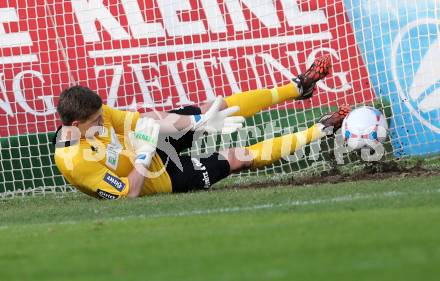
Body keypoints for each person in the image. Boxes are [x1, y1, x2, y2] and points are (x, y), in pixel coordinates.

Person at [53, 55, 349, 199]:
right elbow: (129, 193)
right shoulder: (76, 162)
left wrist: (200, 122)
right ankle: (321, 130)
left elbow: (146, 121)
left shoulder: (96, 113)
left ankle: (297, 87)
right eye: (96, 122)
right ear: (76, 126)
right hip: (156, 177)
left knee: (214, 108)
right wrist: (144, 154)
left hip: (147, 143)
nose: (104, 122)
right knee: (236, 158)